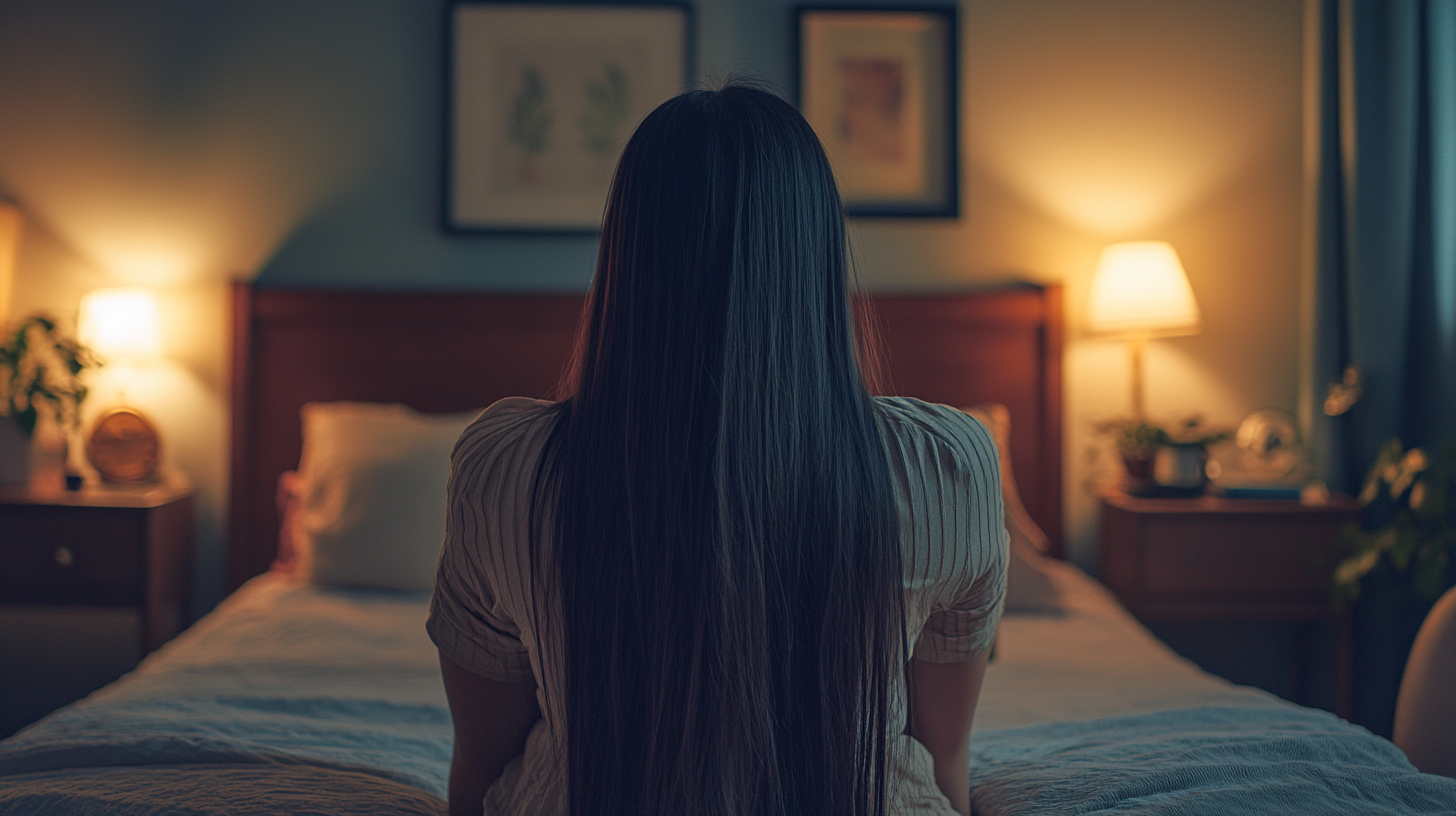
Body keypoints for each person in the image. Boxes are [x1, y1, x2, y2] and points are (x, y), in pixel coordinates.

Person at [427, 83, 1007, 816]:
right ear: (817, 254)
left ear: (629, 256)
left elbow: (481, 765)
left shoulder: (505, 470)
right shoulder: (947, 469)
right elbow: (942, 756)